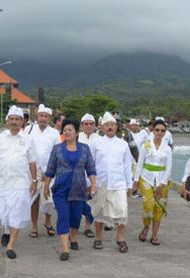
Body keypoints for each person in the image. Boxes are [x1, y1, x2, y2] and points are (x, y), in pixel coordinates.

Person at [0, 105, 38, 259]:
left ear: (22, 122)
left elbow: (32, 162)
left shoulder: (28, 140)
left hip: (21, 184)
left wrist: (34, 180)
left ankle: (11, 245)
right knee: (3, 212)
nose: (14, 122)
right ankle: (7, 232)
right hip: (3, 183)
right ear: (7, 121)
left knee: (16, 213)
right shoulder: (0, 138)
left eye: (17, 119)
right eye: (11, 119)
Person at [43, 118, 97, 261]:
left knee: (76, 216)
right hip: (61, 188)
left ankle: (73, 237)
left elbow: (91, 168)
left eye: (70, 130)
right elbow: (50, 169)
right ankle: (65, 248)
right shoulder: (57, 149)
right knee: (63, 216)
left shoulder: (84, 148)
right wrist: (45, 186)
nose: (67, 132)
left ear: (76, 132)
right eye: (65, 130)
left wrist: (93, 184)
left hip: (79, 189)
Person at [87, 112, 133, 253]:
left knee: (122, 211)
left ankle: (120, 239)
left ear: (117, 127)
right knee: (99, 212)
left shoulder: (123, 144)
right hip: (100, 183)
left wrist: (129, 184)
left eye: (112, 125)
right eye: (107, 125)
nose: (110, 127)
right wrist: (90, 183)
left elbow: (127, 165)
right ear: (102, 127)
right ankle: (98, 238)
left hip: (119, 183)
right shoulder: (96, 143)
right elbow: (90, 165)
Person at [132, 119, 172, 245]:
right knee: (148, 205)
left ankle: (154, 235)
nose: (159, 133)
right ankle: (146, 226)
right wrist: (136, 181)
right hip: (146, 178)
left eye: (162, 131)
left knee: (158, 209)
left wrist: (162, 184)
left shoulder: (167, 149)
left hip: (162, 181)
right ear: (153, 131)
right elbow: (140, 164)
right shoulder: (146, 145)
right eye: (157, 130)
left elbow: (169, 167)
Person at [26, 104, 61, 237]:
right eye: (41, 116)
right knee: (34, 198)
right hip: (33, 170)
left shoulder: (54, 133)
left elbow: (57, 152)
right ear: (37, 116)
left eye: (46, 116)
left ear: (50, 118)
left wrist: (52, 171)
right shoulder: (28, 130)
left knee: (49, 198)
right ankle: (34, 227)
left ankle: (47, 221)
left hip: (49, 170)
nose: (43, 118)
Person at [78, 113, 98, 238]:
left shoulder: (99, 139)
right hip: (78, 176)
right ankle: (73, 227)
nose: (89, 126)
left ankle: (87, 227)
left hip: (93, 176)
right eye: (86, 124)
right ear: (81, 125)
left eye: (91, 124)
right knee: (77, 203)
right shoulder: (77, 137)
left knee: (91, 203)